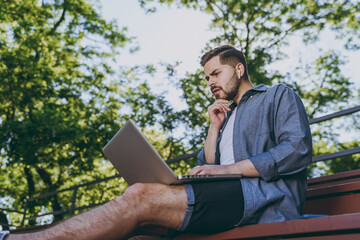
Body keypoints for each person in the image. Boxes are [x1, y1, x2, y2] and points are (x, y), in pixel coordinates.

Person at [1, 45, 312, 240]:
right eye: (206, 78)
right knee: (140, 230)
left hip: (263, 198)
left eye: (216, 73)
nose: (210, 82)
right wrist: (214, 130)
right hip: (226, 199)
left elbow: (296, 151)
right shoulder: (225, 117)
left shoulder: (276, 95)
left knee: (138, 197)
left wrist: (227, 169)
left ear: (239, 68)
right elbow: (209, 170)